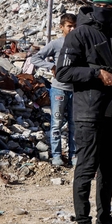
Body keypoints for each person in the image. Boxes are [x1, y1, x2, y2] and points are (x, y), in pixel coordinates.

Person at [56, 0, 112, 224]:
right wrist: (96, 73)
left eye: (110, 7)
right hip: (88, 112)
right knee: (86, 167)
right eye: (100, 6)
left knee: (108, 168)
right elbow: (63, 72)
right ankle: (83, 223)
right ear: (93, 6)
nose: (104, 11)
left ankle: (105, 219)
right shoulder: (79, 34)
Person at [32, 13, 77, 167]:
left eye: (74, 26)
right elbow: (35, 58)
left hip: (75, 90)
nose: (72, 29)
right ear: (61, 27)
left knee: (74, 125)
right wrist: (51, 66)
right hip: (59, 89)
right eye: (69, 26)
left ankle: (74, 156)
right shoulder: (57, 44)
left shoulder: (80, 44)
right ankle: (57, 156)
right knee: (56, 123)